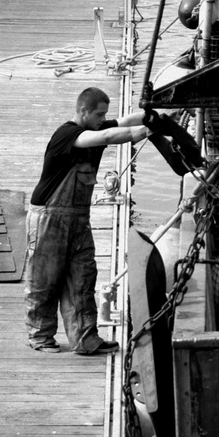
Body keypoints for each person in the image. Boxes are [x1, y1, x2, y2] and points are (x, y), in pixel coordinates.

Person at [24, 87, 151, 355]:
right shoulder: (68, 135)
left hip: (79, 219)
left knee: (83, 278)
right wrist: (143, 133)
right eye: (98, 114)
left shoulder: (96, 128)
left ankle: (85, 338)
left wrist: (153, 116)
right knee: (44, 279)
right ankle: (41, 336)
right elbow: (109, 135)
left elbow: (124, 121)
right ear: (83, 111)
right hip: (49, 217)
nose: (103, 119)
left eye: (104, 114)